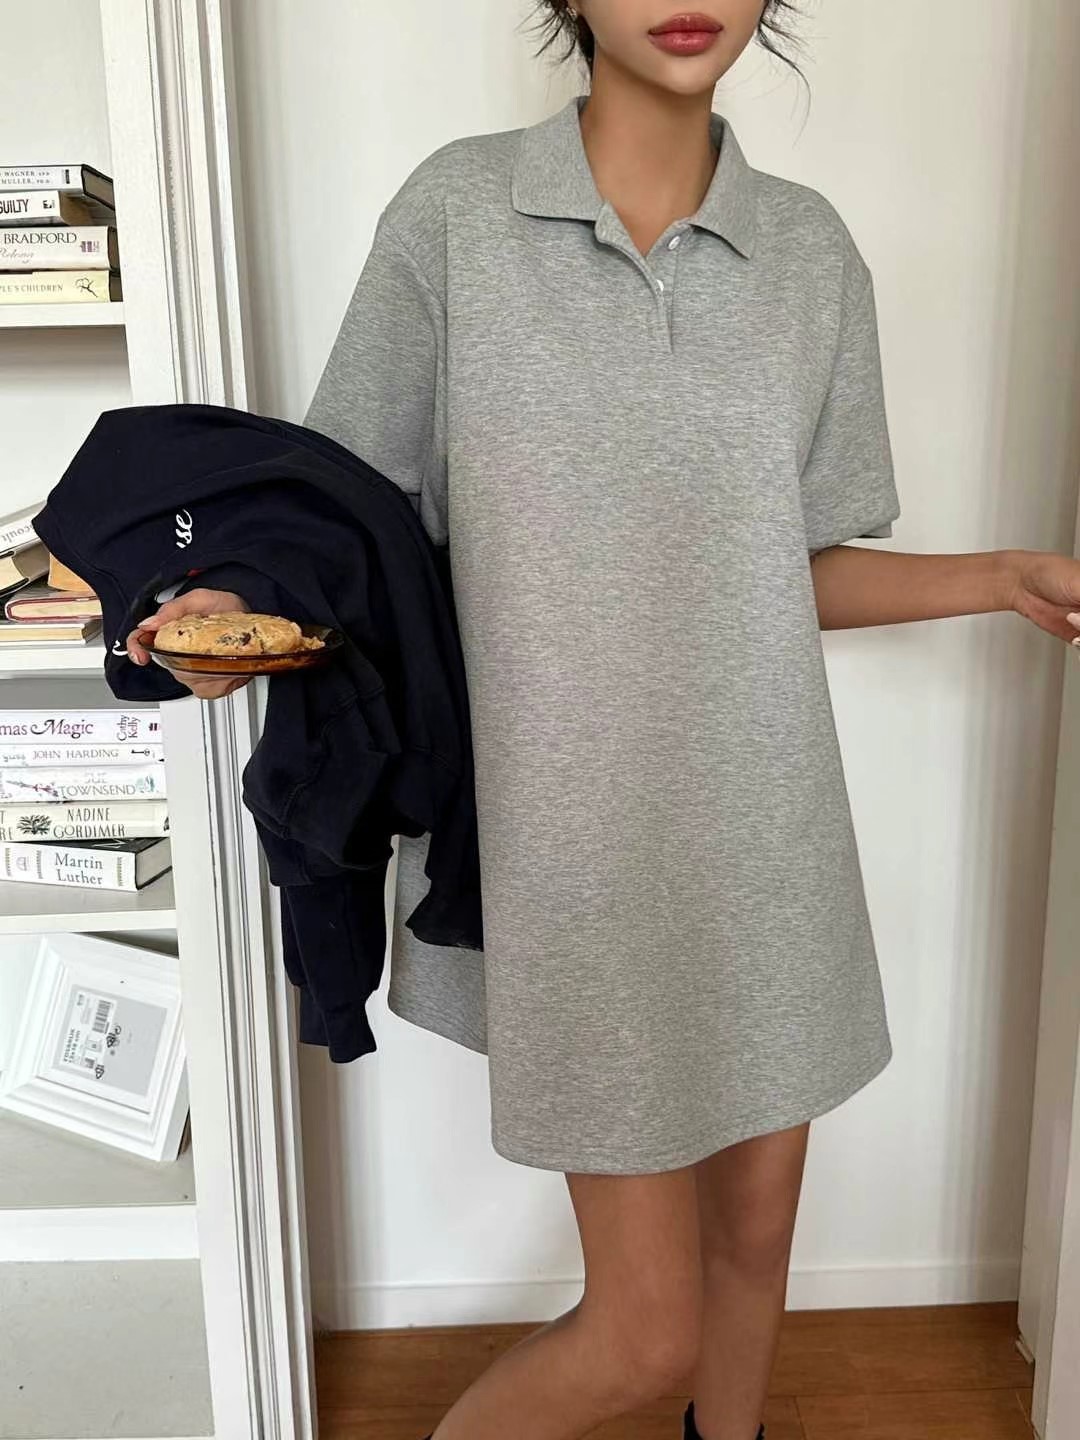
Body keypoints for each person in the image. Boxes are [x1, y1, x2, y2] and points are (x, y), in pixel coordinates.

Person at [127, 4, 1080, 1438]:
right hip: (568, 847)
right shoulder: (458, 215)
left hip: (766, 834)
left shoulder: (810, 251)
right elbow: (345, 522)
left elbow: (790, 570)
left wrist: (1003, 578)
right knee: (646, 1332)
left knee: (757, 1235)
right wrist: (232, 613)